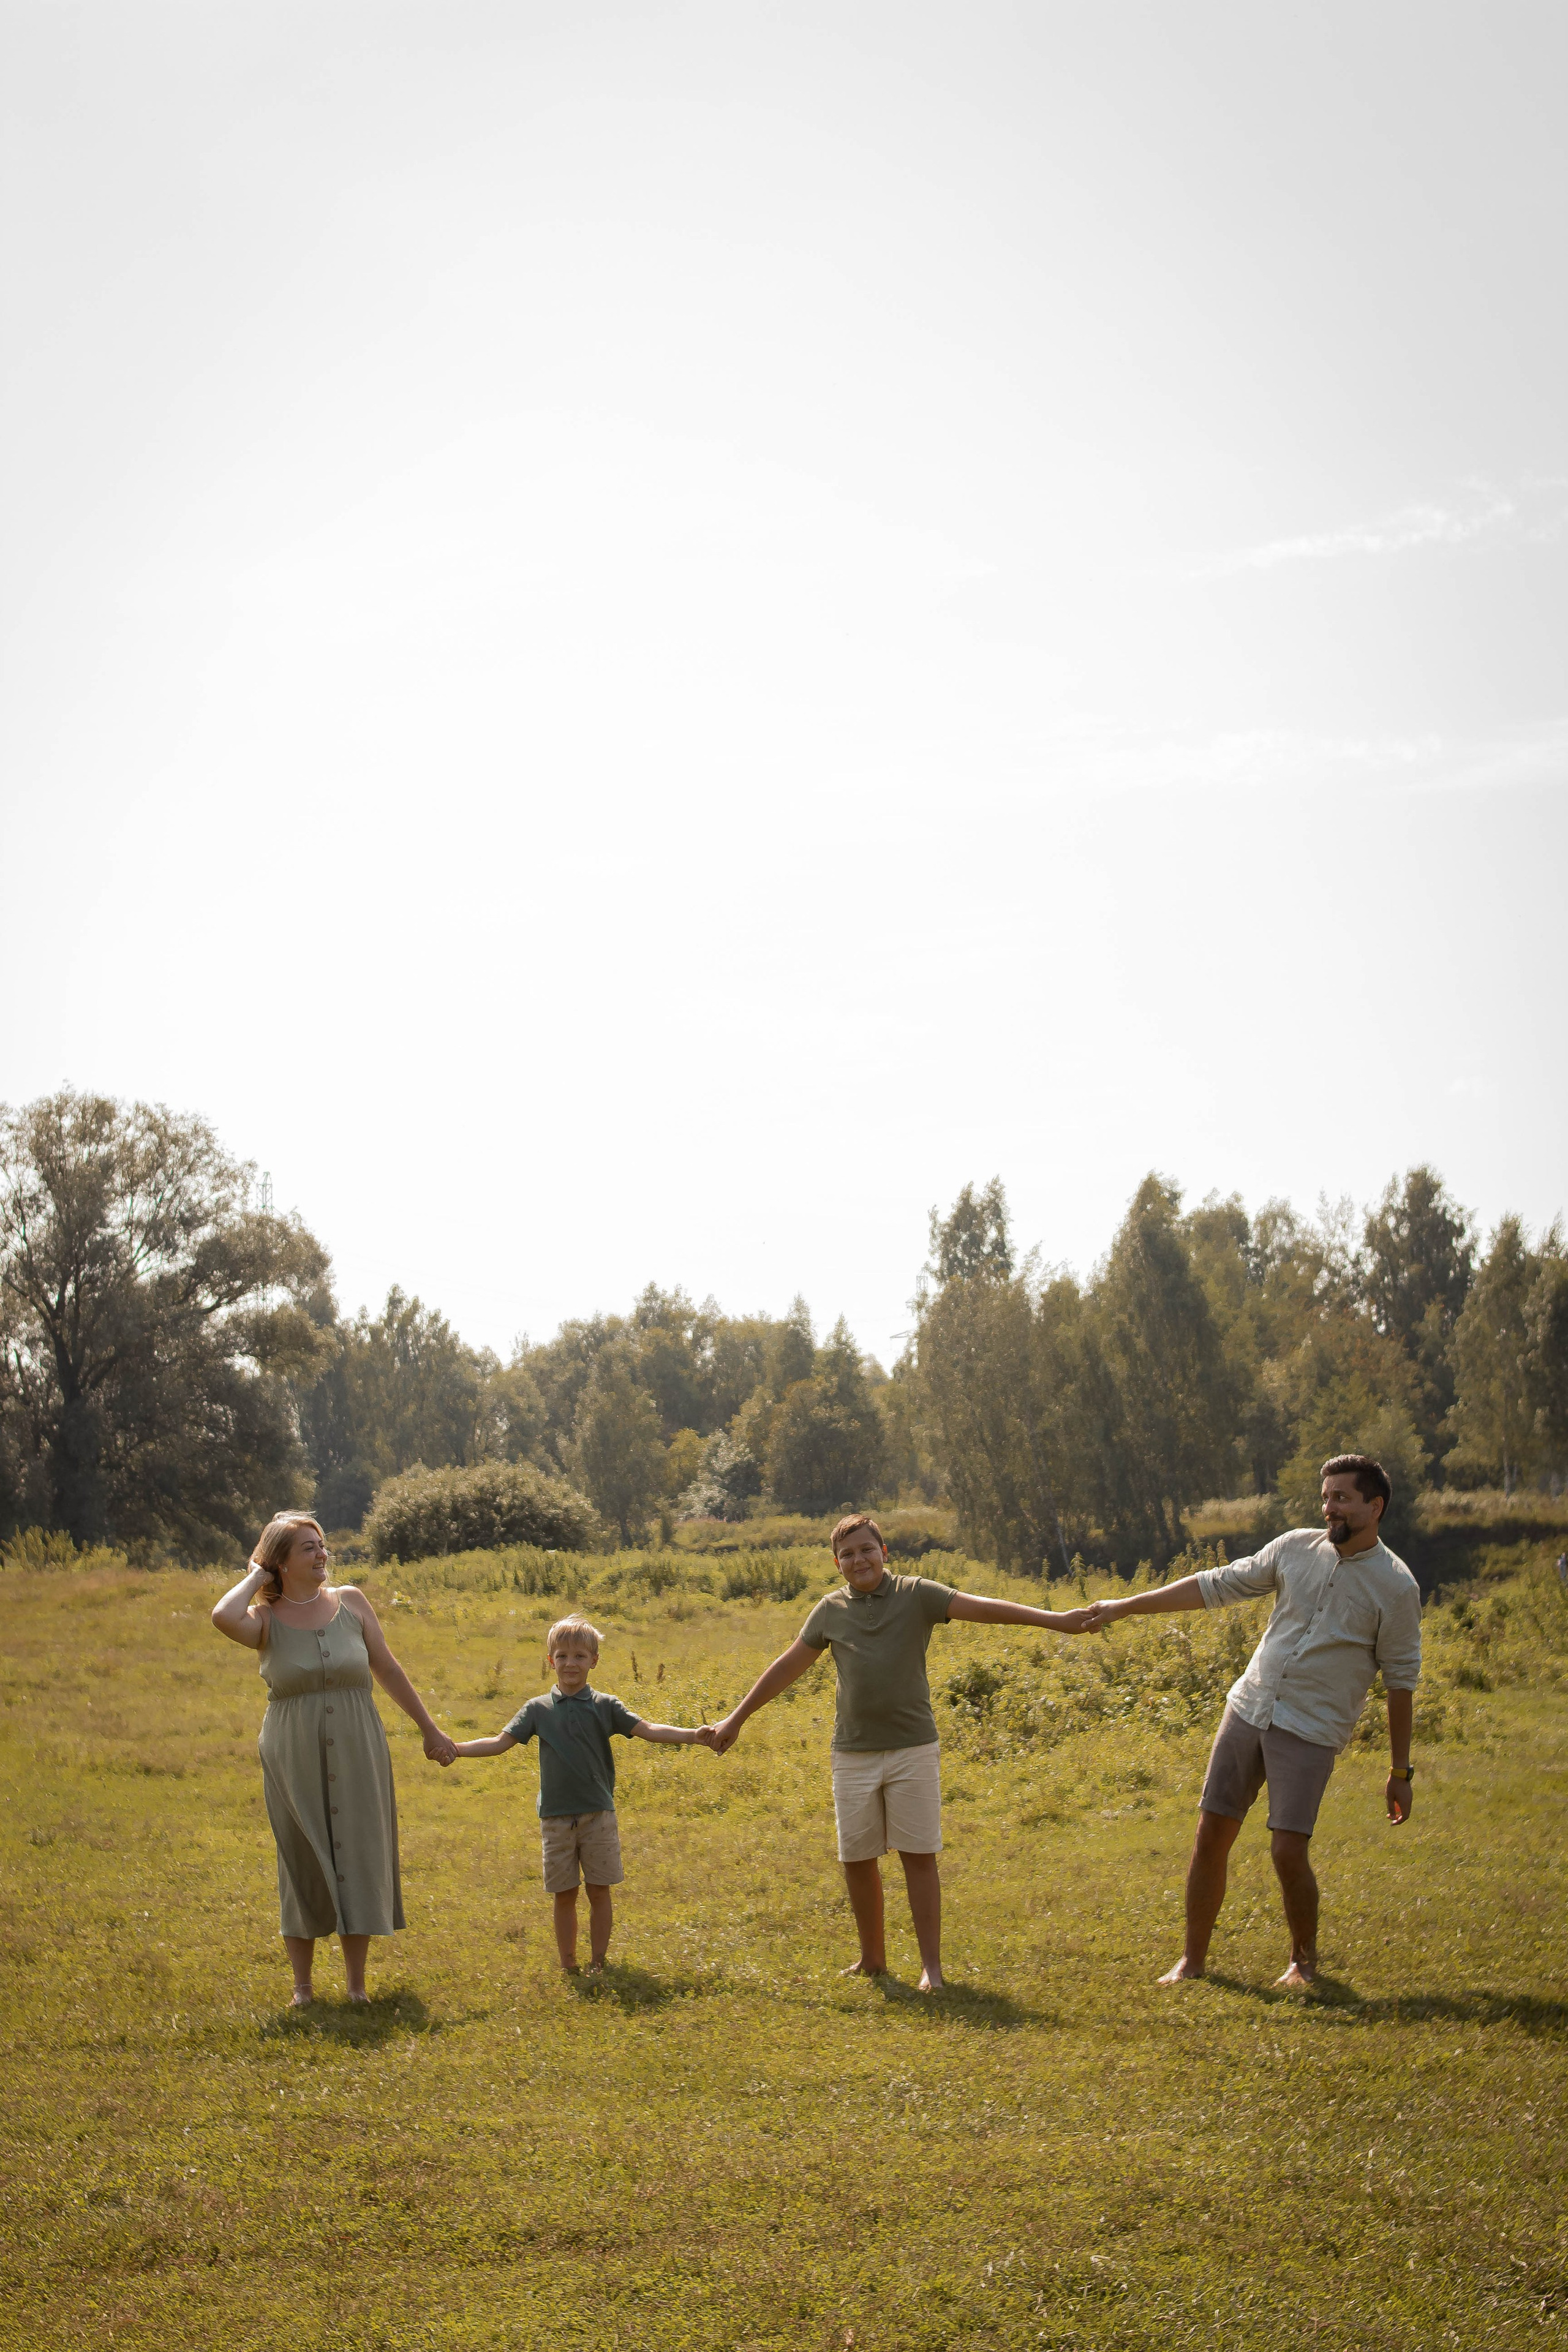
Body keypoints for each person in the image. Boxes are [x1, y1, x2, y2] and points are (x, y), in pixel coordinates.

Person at [707, 1513, 1098, 1991]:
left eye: (867, 1549)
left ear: (884, 1551)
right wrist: (737, 1718)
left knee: (918, 1854)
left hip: (913, 1748)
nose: (859, 1560)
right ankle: (872, 1959)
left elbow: (985, 1607)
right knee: (857, 1857)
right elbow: (788, 1665)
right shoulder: (829, 1610)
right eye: (848, 1554)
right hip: (853, 1754)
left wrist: (1056, 1621)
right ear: (837, 1563)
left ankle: (931, 1968)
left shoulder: (918, 1595)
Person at [1084, 1454, 1422, 1990]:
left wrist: (1400, 1771)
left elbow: (1401, 1681)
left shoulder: (1397, 1587)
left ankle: (1303, 1965)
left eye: (1342, 1498)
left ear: (1374, 1507)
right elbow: (1215, 1584)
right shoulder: (1293, 1549)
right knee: (1211, 1833)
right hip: (1250, 1707)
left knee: (1288, 1848)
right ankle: (1192, 1961)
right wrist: (1126, 1606)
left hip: (1310, 1728)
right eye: (1326, 1496)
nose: (1329, 1507)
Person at [211, 1512, 456, 2005]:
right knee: (301, 1857)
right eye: (308, 1548)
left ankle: (356, 1987)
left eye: (322, 1545)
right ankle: (302, 1989)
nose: (322, 1554)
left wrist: (429, 1728)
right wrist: (257, 1576)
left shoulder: (352, 1603)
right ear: (280, 1562)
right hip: (292, 1751)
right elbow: (221, 1616)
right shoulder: (263, 1620)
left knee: (358, 1851)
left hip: (358, 1744)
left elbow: (386, 1667)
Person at [444, 1613, 708, 1974]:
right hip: (555, 1818)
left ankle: (598, 1962)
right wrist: (455, 1749)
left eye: (580, 1656)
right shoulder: (537, 1710)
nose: (571, 1663)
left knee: (599, 1891)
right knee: (564, 1894)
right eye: (563, 1656)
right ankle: (568, 1964)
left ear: (594, 1661)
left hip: (598, 1815)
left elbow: (648, 1729)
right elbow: (499, 1743)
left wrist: (694, 1735)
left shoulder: (606, 1706)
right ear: (550, 1661)